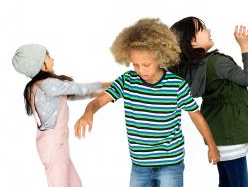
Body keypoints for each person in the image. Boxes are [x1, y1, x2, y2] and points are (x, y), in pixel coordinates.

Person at [74, 18, 220, 187]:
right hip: (140, 166)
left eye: (146, 64)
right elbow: (99, 101)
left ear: (160, 57)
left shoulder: (176, 85)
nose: (140, 70)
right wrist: (88, 113)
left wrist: (212, 146)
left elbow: (196, 116)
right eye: (135, 65)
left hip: (170, 163)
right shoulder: (127, 81)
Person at [171, 17, 248, 187]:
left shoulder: (191, 68)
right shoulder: (218, 62)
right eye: (202, 29)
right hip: (234, 133)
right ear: (192, 41)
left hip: (217, 134)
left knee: (226, 182)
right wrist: (244, 46)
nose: (209, 30)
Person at [12, 44, 108, 187]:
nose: (52, 59)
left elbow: (74, 94)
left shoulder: (38, 86)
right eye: (48, 57)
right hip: (54, 145)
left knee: (75, 184)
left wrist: (103, 92)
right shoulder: (48, 85)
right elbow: (80, 89)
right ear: (41, 65)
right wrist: (111, 84)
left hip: (57, 145)